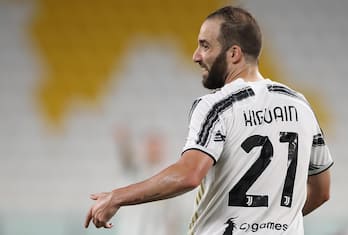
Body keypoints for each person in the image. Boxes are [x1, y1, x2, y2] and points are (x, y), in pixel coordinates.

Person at [84, 6, 333, 235]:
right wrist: (270, 223)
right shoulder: (300, 105)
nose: (196, 56)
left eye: (205, 46)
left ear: (233, 53)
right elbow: (322, 192)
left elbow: (189, 174)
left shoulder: (217, 106)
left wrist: (116, 197)